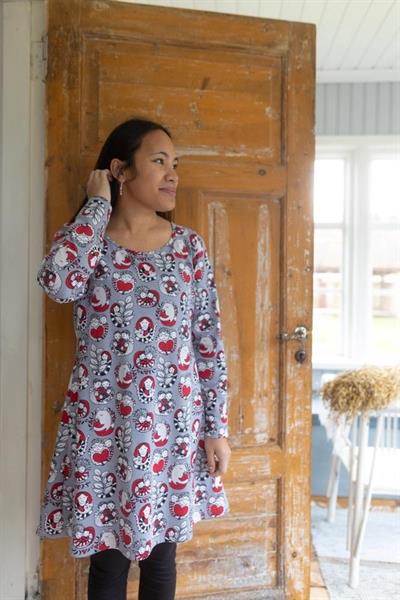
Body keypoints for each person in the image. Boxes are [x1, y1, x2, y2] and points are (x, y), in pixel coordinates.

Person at [35, 117, 232, 600]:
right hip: (105, 426)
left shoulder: (188, 247)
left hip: (172, 425)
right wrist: (96, 206)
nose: (172, 174)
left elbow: (207, 342)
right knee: (107, 565)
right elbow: (58, 283)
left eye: (175, 163)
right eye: (159, 161)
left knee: (162, 561)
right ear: (121, 170)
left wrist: (216, 428)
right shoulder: (88, 242)